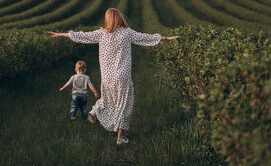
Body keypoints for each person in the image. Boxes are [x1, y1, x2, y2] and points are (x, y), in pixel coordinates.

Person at [48, 8, 181, 146]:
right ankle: (120, 138)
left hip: (107, 76)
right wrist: (166, 38)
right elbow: (145, 37)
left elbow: (82, 35)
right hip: (122, 75)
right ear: (119, 18)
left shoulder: (101, 33)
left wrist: (61, 34)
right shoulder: (127, 33)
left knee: (108, 99)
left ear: (107, 19)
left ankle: (94, 112)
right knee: (123, 104)